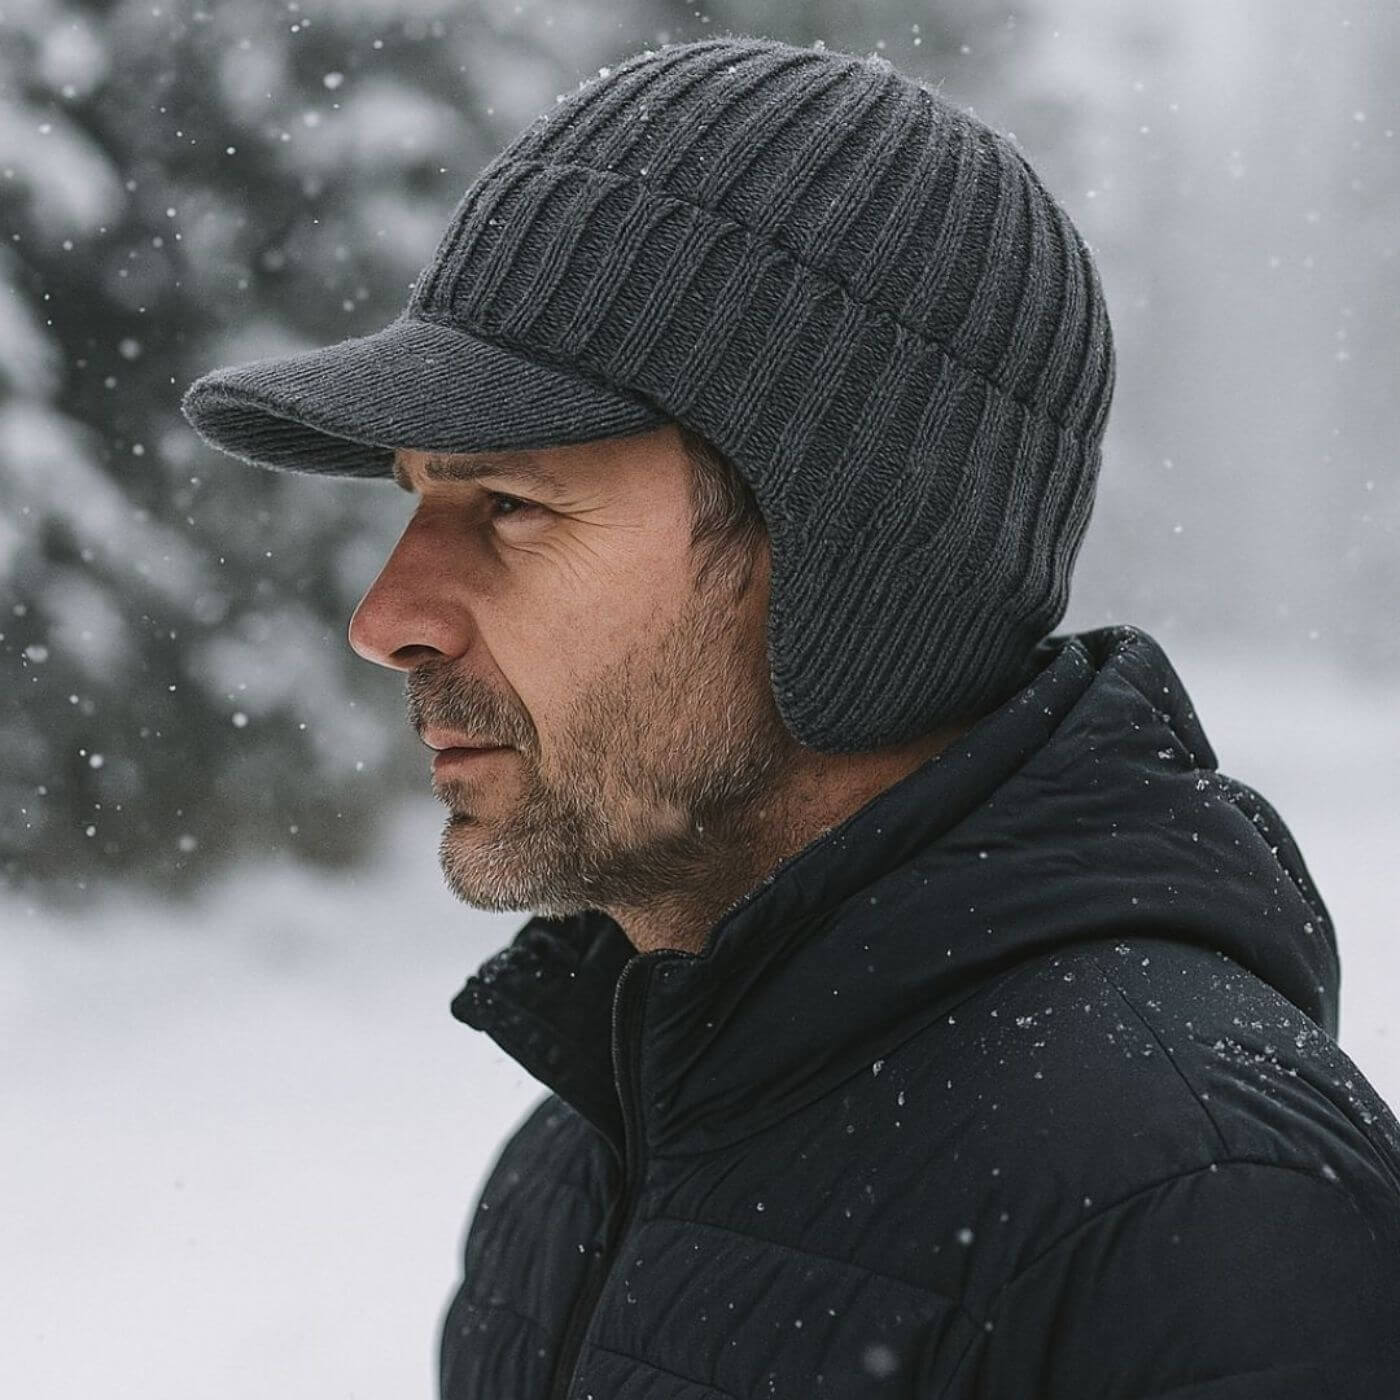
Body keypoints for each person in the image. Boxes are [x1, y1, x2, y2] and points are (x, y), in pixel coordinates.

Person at [182, 33, 1400, 1400]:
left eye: (510, 506)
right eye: (416, 500)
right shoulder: (584, 1164)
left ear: (849, 560)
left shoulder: (1194, 1205)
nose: (386, 615)